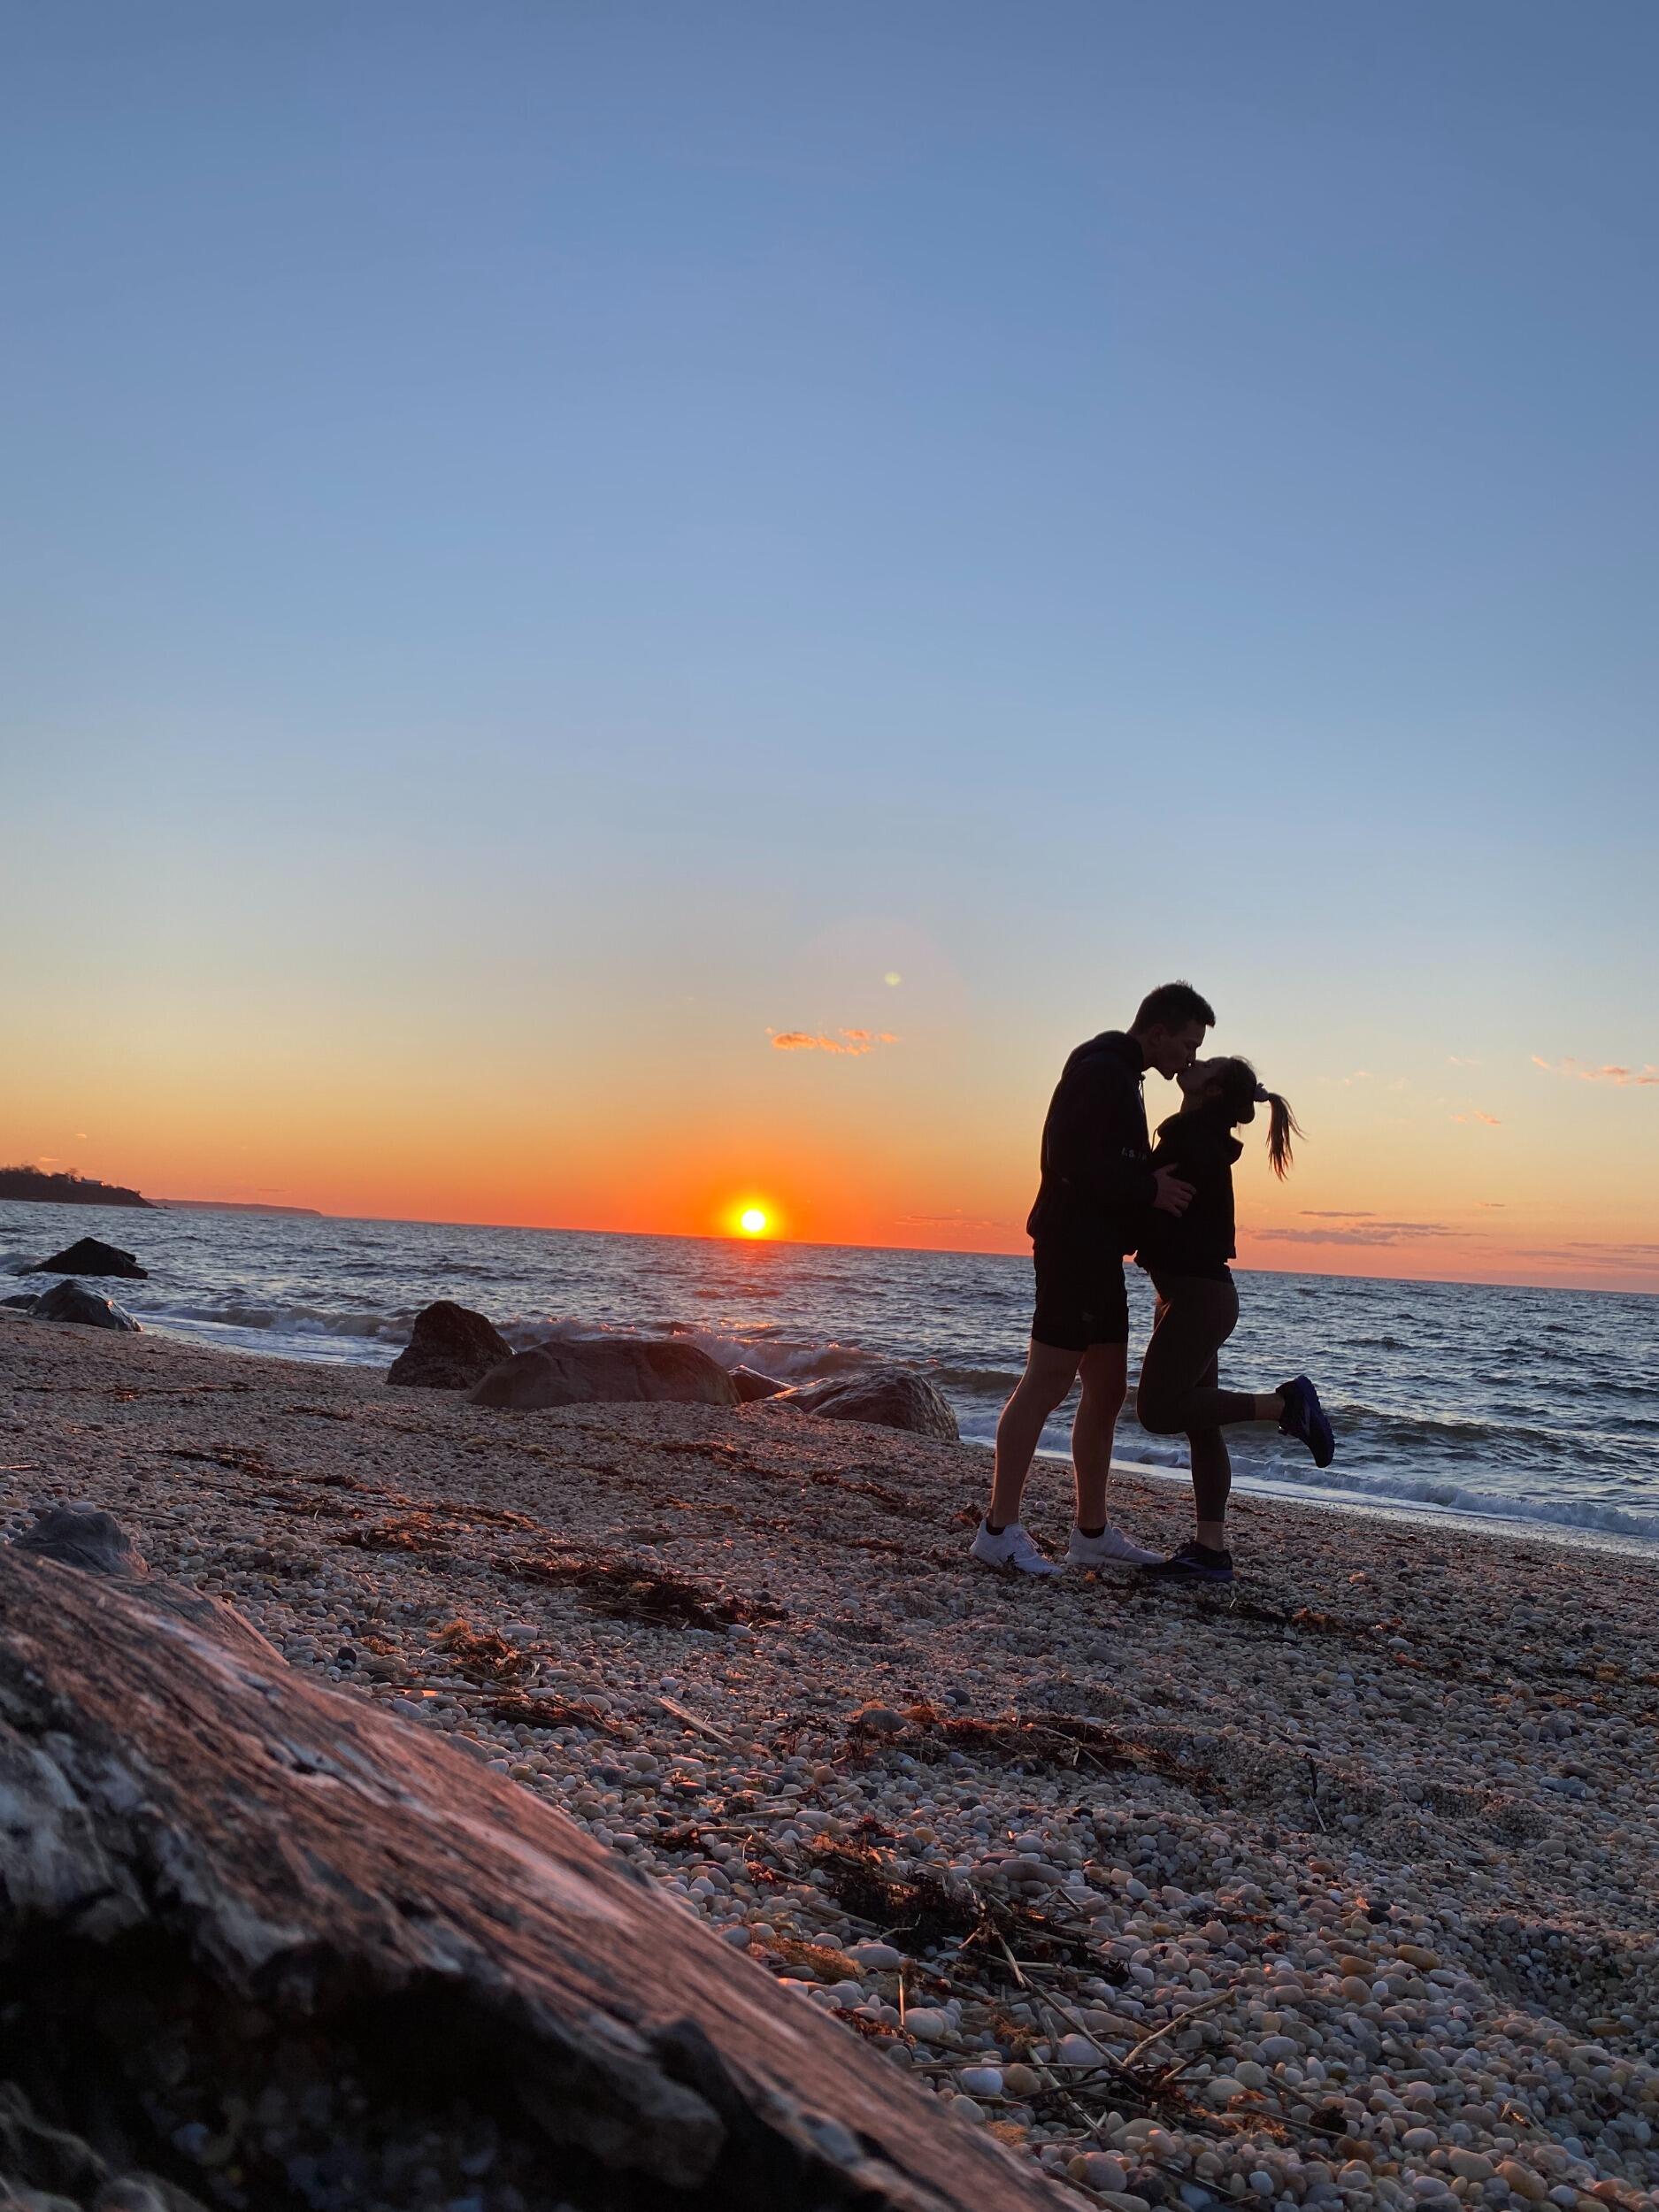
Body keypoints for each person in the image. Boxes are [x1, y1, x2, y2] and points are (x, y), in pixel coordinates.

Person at [971, 979, 1216, 1578]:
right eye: (1186, 1044)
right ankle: (997, 1529)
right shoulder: (1103, 1070)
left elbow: (1112, 1161)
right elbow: (1065, 1159)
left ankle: (1091, 1532)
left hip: (1100, 1252)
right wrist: (1147, 1190)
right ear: (1155, 1032)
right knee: (1046, 1380)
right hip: (1070, 1248)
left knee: (1105, 1390)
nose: (1190, 1056)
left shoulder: (1126, 1077)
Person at [1133, 1054, 1335, 1585]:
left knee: (1156, 1410)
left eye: (1206, 1064)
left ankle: (1286, 1404)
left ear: (1214, 1090)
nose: (1192, 1063)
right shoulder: (1197, 1138)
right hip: (1192, 1294)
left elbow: (1137, 1203)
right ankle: (1211, 1550)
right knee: (1200, 1424)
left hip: (1199, 1297)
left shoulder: (1191, 1143)